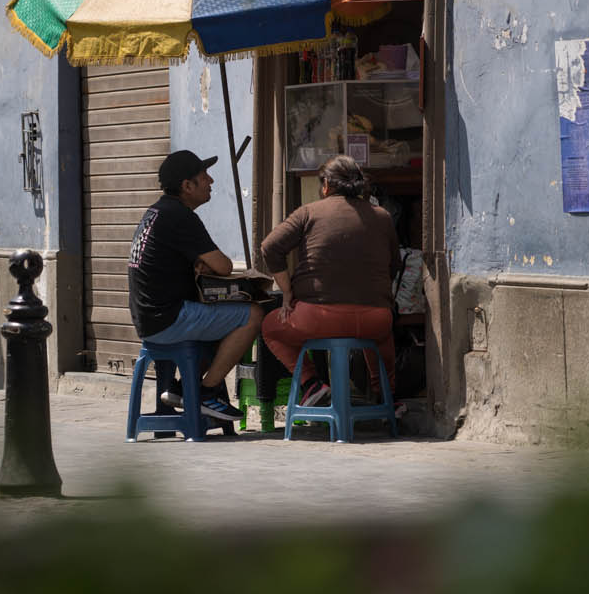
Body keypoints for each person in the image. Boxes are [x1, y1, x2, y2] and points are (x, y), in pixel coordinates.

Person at [128, 149, 264, 422]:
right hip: (168, 319)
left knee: (223, 325)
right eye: (204, 177)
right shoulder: (180, 216)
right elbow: (224, 266)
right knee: (252, 315)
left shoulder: (157, 211)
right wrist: (207, 263)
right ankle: (206, 392)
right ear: (186, 186)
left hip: (150, 318)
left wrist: (197, 264)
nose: (211, 181)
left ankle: (181, 389)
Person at [260, 154, 401, 408]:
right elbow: (394, 266)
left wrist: (287, 292)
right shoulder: (382, 216)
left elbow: (270, 247)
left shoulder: (309, 212)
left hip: (318, 319)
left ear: (326, 185)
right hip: (375, 320)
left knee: (270, 327)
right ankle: (387, 396)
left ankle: (311, 383)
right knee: (381, 337)